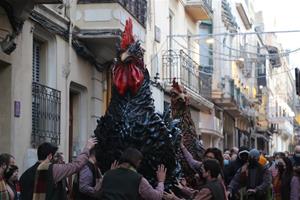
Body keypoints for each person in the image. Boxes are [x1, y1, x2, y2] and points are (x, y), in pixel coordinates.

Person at [19, 137, 97, 200]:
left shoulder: (24, 175)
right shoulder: (52, 169)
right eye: (56, 156)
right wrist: (87, 148)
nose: (58, 158)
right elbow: (77, 165)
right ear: (50, 156)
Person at [99, 148, 167, 200]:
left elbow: (95, 190)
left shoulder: (107, 174)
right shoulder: (138, 179)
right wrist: (161, 181)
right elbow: (156, 197)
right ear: (138, 162)